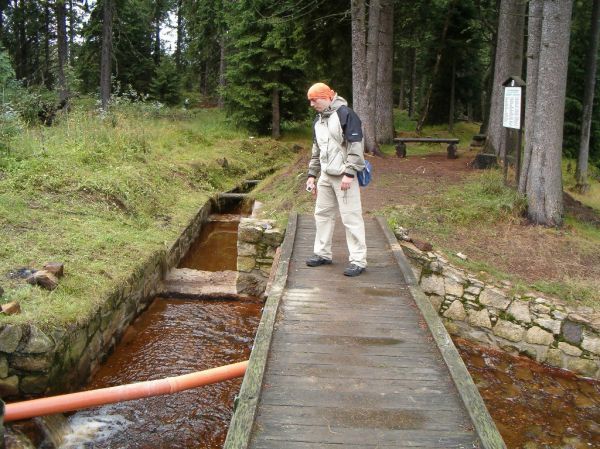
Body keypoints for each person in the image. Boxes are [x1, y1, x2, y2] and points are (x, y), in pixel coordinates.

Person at [305, 82, 367, 277]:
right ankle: (322, 253)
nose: (312, 104)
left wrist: (349, 173)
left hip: (343, 176)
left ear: (326, 97)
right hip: (325, 176)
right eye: (310, 101)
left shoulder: (345, 114)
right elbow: (317, 152)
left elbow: (356, 146)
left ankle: (358, 260)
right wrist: (311, 175)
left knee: (351, 218)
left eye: (314, 100)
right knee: (322, 215)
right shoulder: (318, 121)